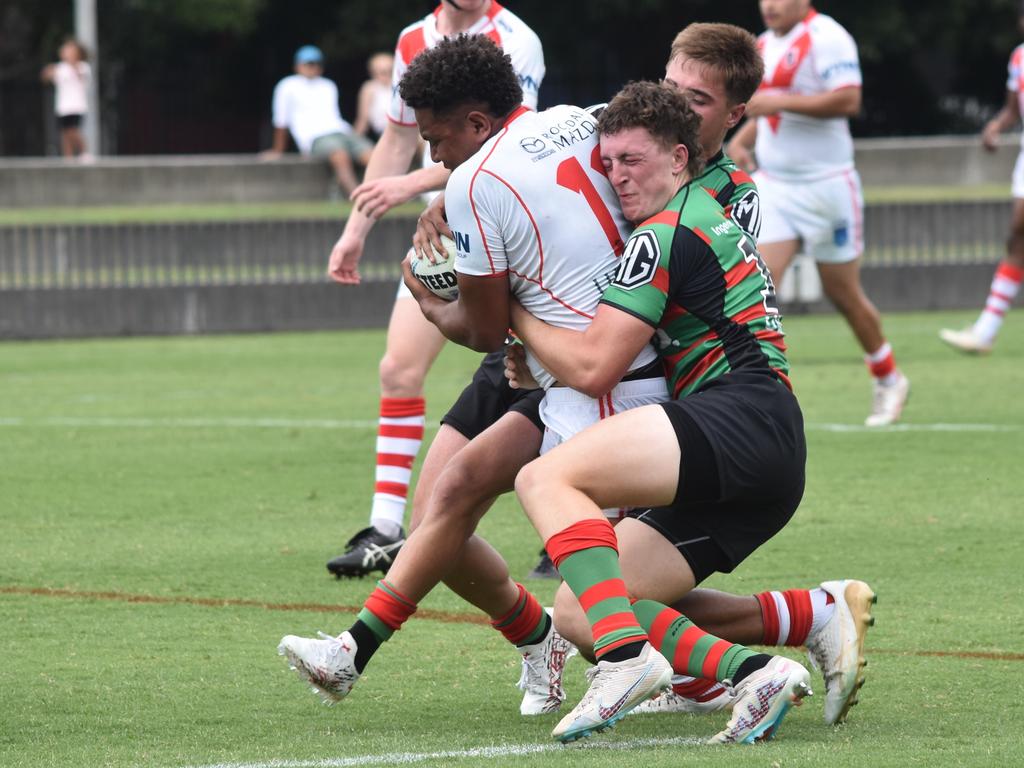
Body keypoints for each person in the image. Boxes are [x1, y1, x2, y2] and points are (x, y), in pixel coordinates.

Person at [509, 80, 814, 744]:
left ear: (679, 158)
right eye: (609, 162)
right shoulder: (705, 208)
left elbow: (594, 367)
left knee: (543, 478)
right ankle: (757, 672)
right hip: (767, 450)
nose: (617, 176)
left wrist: (511, 311)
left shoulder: (664, 232)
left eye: (633, 160)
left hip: (740, 415)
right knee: (579, 606)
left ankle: (623, 662)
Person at [323, 1, 545, 580]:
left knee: (543, 375)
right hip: (442, 239)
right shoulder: (411, 40)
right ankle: (385, 528)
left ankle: (577, 518)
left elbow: (504, 141)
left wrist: (411, 185)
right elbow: (397, 142)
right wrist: (355, 231)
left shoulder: (515, 38)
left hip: (504, 224)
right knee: (398, 369)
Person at [726, 0, 910, 427]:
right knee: (757, 285)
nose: (769, 5)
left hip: (828, 186)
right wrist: (745, 137)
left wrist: (779, 102)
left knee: (842, 293)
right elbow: (768, 108)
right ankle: (752, 394)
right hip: (776, 185)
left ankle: (888, 377)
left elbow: (848, 99)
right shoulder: (763, 44)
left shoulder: (829, 36)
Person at [940, 3, 1024, 354]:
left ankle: (986, 330)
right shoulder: (1019, 58)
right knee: (1018, 235)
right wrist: (996, 125)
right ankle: (986, 331)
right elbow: (1013, 108)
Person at [263, 45, 373, 198]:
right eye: (308, 63)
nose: (312, 67)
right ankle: (359, 198)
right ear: (297, 66)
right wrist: (278, 150)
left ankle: (384, 194)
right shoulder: (287, 86)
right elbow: (281, 121)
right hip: (315, 137)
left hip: (341, 131)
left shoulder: (328, 85)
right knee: (340, 155)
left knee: (372, 155)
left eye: (315, 63)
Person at [40, 38, 91, 160]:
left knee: (73, 130)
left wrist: (72, 63)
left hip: (77, 106)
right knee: (64, 133)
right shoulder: (60, 68)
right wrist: (47, 71)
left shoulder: (83, 67)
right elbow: (46, 78)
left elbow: (81, 77)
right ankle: (68, 157)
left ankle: (84, 152)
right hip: (63, 106)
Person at [352, 52, 393, 143]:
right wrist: (352, 142)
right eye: (381, 72)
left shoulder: (402, 85)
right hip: (387, 133)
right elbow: (363, 120)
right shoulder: (369, 88)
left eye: (389, 71)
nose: (385, 76)